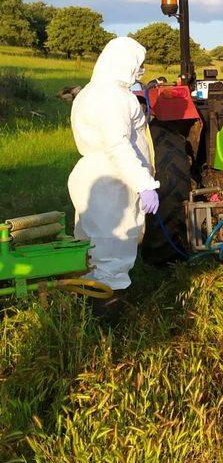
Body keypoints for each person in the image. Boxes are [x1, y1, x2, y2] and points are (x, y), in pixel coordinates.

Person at [68, 36, 160, 307]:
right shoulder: (114, 97)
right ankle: (107, 315)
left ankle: (85, 303)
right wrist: (144, 183)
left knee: (91, 244)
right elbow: (118, 145)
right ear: (125, 62)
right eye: (138, 64)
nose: (140, 71)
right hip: (113, 180)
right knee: (113, 245)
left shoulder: (89, 91)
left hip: (93, 175)